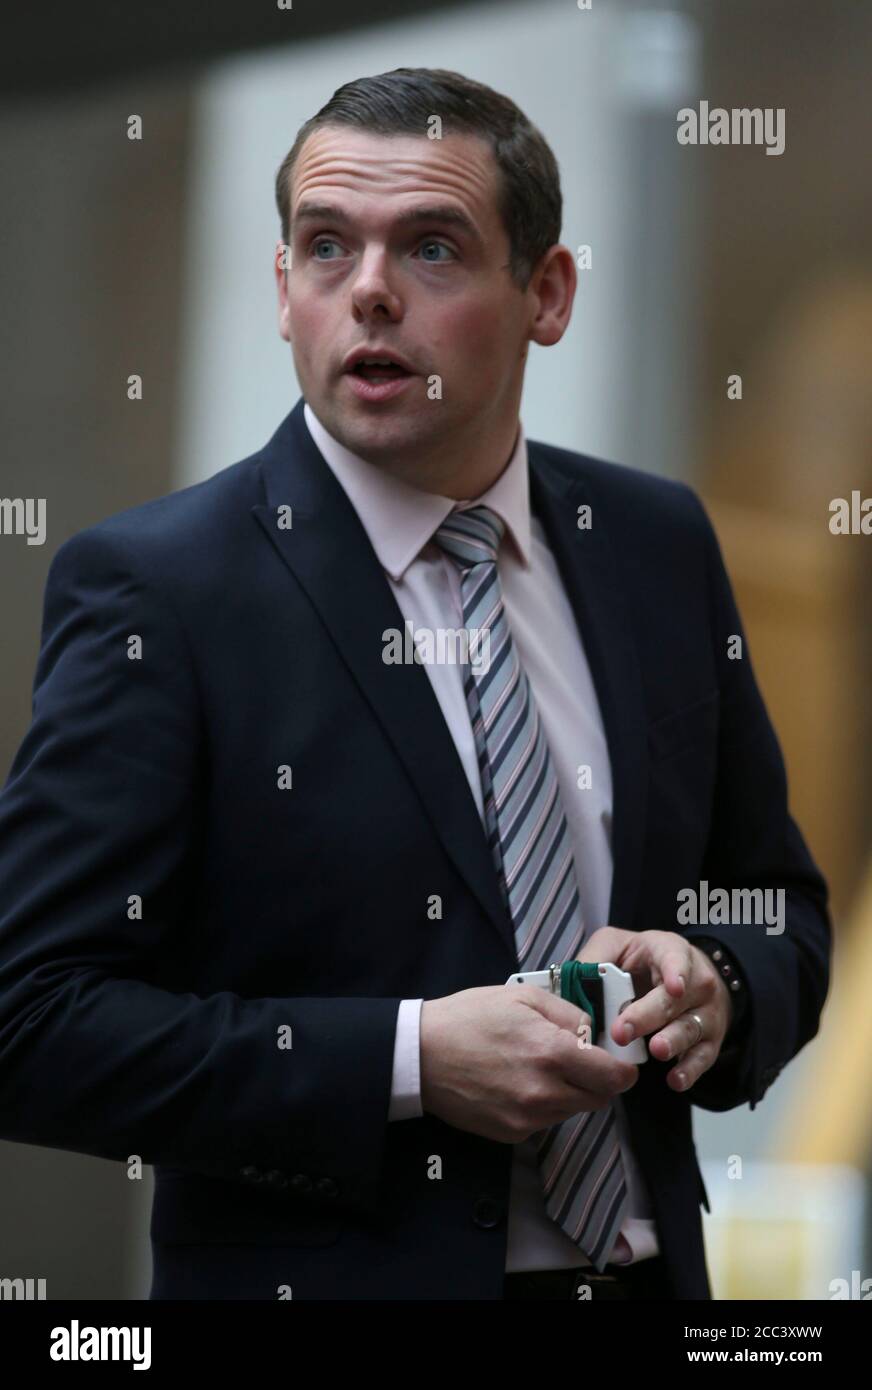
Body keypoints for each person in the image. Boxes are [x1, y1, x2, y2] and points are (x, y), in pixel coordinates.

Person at [0, 67, 831, 1301]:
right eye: (325, 246)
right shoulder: (160, 592)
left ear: (545, 294)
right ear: (283, 292)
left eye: (432, 247)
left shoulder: (652, 543)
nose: (369, 290)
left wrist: (712, 984)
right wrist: (408, 1058)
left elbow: (780, 910)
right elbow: (32, 1021)